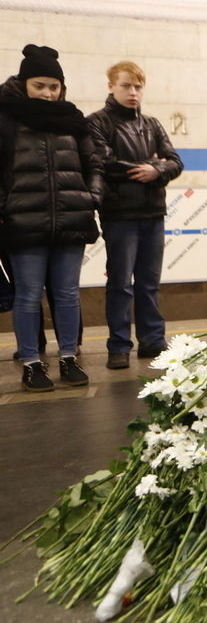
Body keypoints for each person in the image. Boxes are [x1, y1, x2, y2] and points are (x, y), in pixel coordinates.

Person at [0, 45, 103, 391]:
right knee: (28, 295)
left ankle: (69, 358)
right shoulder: (6, 119)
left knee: (67, 294)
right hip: (23, 224)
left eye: (54, 87)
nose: (48, 93)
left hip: (70, 221)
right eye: (40, 85)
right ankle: (31, 363)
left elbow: (96, 164)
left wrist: (92, 197)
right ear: (25, 83)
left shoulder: (74, 121)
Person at [87, 61, 183, 369]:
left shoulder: (152, 124)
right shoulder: (97, 123)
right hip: (119, 214)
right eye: (126, 85)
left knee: (148, 282)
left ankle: (152, 340)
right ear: (111, 86)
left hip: (153, 212)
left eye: (138, 87)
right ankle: (118, 345)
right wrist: (147, 166)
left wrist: (157, 168)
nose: (133, 92)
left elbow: (175, 161)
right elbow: (104, 162)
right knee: (120, 282)